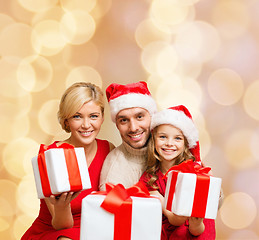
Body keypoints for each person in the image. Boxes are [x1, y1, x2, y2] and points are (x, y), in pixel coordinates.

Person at [21, 82, 115, 240]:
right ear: (66, 121)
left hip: (92, 230)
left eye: (93, 116)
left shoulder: (108, 149)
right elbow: (61, 225)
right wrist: (62, 206)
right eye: (77, 116)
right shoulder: (50, 155)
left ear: (102, 118)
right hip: (55, 231)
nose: (86, 125)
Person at [139, 105, 216, 239]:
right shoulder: (149, 179)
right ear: (154, 139)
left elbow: (200, 230)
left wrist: (196, 223)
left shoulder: (195, 173)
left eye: (177, 138)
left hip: (195, 232)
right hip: (168, 228)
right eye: (163, 137)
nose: (169, 143)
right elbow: (174, 219)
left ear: (186, 144)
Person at [99, 81, 157, 190]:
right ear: (117, 125)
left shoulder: (169, 151)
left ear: (152, 116)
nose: (134, 128)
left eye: (139, 117)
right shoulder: (114, 171)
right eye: (124, 120)